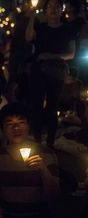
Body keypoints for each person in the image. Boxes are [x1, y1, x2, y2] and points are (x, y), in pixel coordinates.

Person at [25, 0, 76, 147]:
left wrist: (51, 56)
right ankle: (36, 139)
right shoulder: (40, 28)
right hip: (38, 69)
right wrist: (32, 17)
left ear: (61, 10)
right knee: (36, 103)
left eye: (56, 6)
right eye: (50, 7)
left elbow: (71, 54)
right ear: (45, 11)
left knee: (52, 106)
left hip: (56, 70)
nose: (53, 9)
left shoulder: (68, 29)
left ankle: (50, 142)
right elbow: (28, 38)